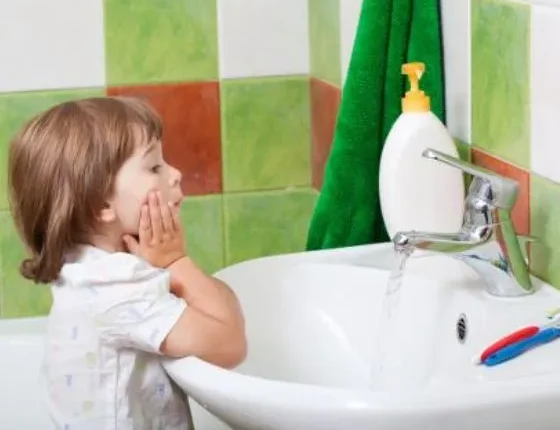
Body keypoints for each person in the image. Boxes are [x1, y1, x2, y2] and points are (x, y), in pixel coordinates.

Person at [7, 96, 247, 429]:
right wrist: (176, 261)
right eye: (154, 167)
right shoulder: (116, 287)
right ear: (100, 205)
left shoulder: (86, 267)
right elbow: (231, 344)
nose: (176, 174)